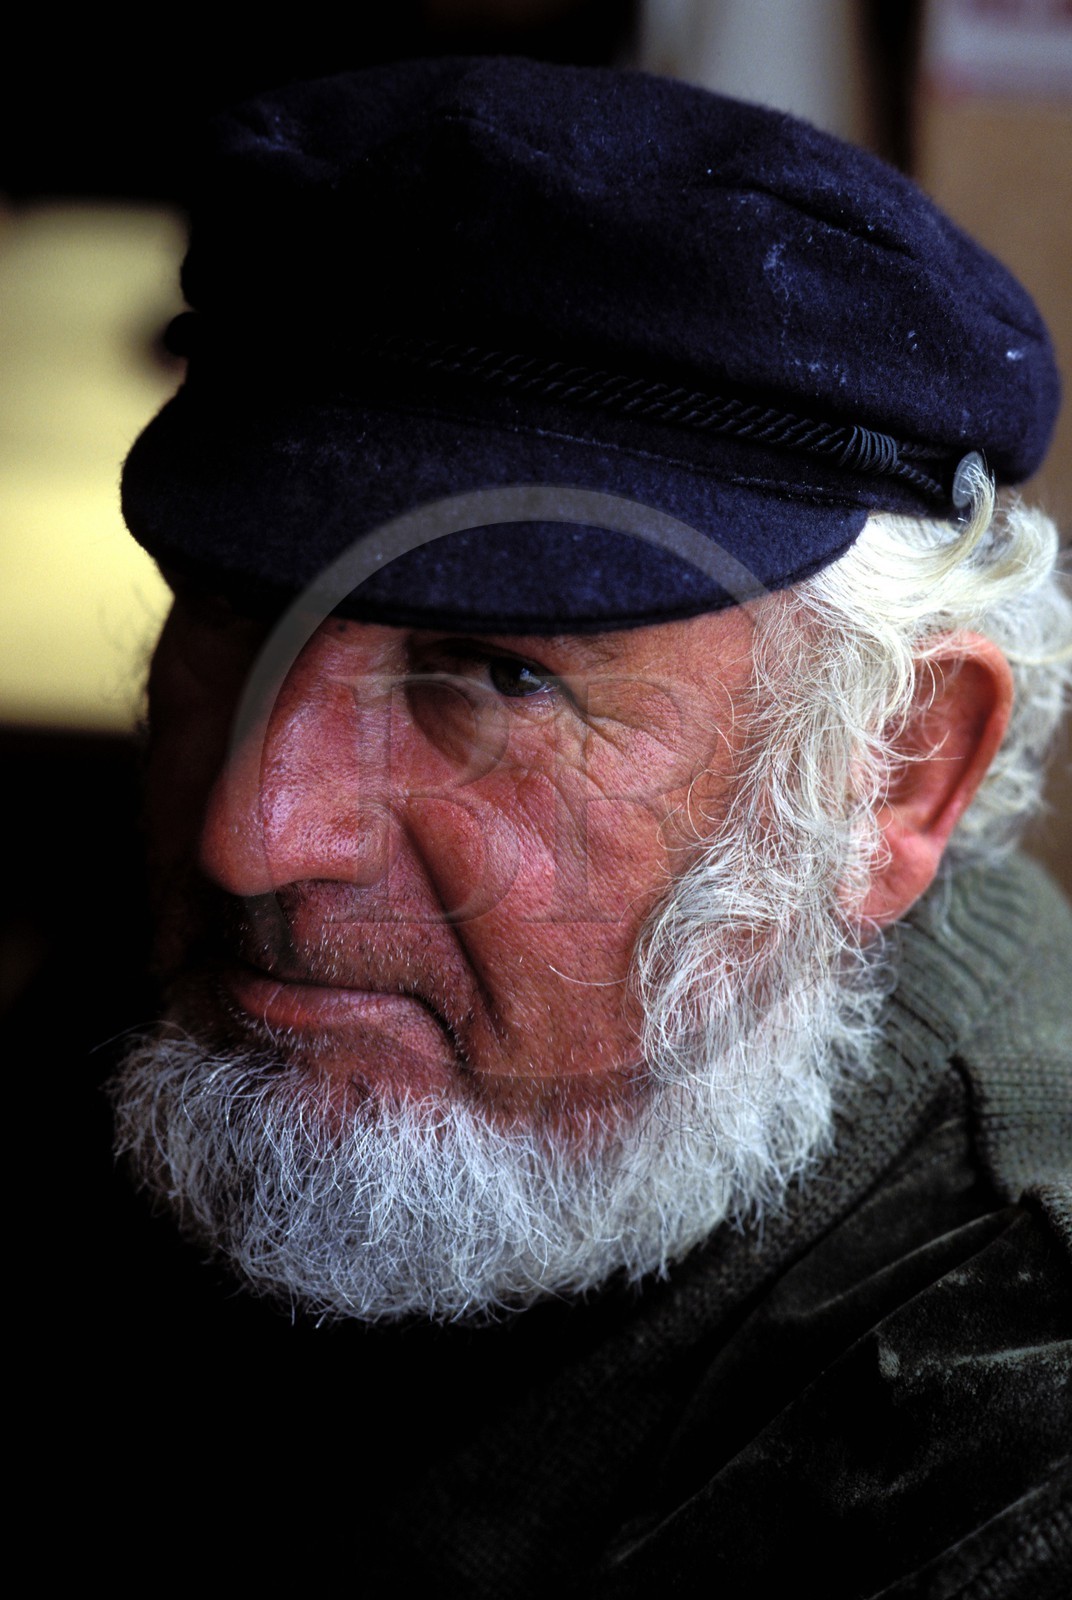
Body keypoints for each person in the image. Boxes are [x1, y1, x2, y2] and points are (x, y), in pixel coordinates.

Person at [101, 57, 1070, 1594]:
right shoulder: (209, 1030)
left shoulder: (1005, 1431)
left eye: (494, 674)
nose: (253, 832)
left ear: (893, 772)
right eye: (230, 618)